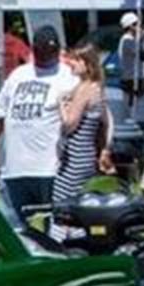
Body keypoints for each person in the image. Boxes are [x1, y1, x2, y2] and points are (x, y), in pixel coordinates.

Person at [0, 26, 79, 228]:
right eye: (42, 49)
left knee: (55, 227)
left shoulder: (69, 77)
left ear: (58, 50)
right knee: (11, 229)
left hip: (50, 168)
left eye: (50, 50)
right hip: (15, 169)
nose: (46, 54)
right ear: (34, 49)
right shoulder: (19, 75)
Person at [52, 44, 113, 206]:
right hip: (87, 157)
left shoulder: (85, 90)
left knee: (63, 206)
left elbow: (69, 125)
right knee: (80, 204)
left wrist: (61, 106)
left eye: (77, 60)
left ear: (88, 65)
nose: (71, 62)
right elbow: (106, 124)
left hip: (74, 161)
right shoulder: (96, 88)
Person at [117, 12, 142, 109]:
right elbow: (138, 51)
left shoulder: (131, 39)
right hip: (130, 77)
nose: (138, 26)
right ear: (129, 26)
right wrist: (142, 36)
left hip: (133, 76)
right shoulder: (127, 39)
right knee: (131, 104)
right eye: (135, 24)